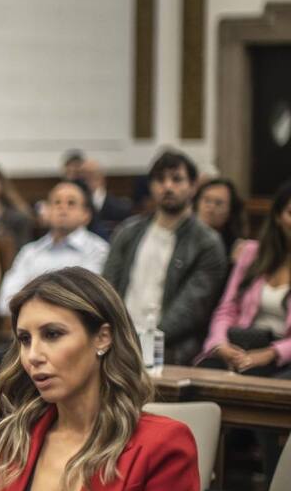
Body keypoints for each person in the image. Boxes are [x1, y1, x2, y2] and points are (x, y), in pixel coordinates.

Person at [0, 267, 199, 491]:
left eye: (52, 335)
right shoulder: (17, 438)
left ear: (103, 338)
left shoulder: (163, 447)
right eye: (25, 339)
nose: (32, 356)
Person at [0, 180, 110, 461]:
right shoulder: (31, 251)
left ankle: (45, 450)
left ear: (86, 214)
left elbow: (90, 301)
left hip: (75, 339)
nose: (61, 209)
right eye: (56, 202)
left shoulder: (98, 251)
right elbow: (5, 299)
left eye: (71, 203)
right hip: (27, 336)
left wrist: (35, 296)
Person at [102, 150, 228, 365]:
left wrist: (143, 343)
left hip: (172, 348)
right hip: (119, 339)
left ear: (193, 185)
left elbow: (191, 309)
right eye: (160, 180)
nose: (168, 186)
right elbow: (106, 287)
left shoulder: (207, 242)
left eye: (177, 179)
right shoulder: (128, 232)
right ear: (151, 186)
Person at [197, 180, 291, 377]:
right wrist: (220, 344)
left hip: (283, 355)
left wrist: (271, 353)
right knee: (205, 372)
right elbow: (226, 309)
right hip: (243, 344)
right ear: (277, 217)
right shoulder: (251, 253)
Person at [194, 177, 246, 261]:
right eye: (206, 200)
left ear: (230, 211)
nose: (210, 208)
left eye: (218, 203)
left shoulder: (236, 247)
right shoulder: (181, 236)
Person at [78, 158, 132, 236]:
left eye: (91, 174)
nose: (88, 179)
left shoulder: (121, 206)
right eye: (83, 176)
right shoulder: (77, 205)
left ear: (102, 177)